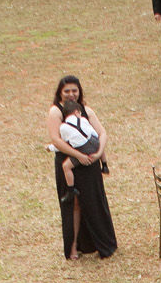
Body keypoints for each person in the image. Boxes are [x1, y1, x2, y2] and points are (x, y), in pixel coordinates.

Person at [48, 75, 117, 262]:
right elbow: (56, 140)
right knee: (74, 205)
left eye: (74, 90)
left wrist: (99, 152)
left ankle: (101, 243)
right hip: (70, 162)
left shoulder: (86, 110)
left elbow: (102, 133)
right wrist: (78, 155)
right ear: (60, 93)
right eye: (67, 91)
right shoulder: (56, 111)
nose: (71, 94)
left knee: (94, 201)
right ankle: (73, 246)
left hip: (90, 164)